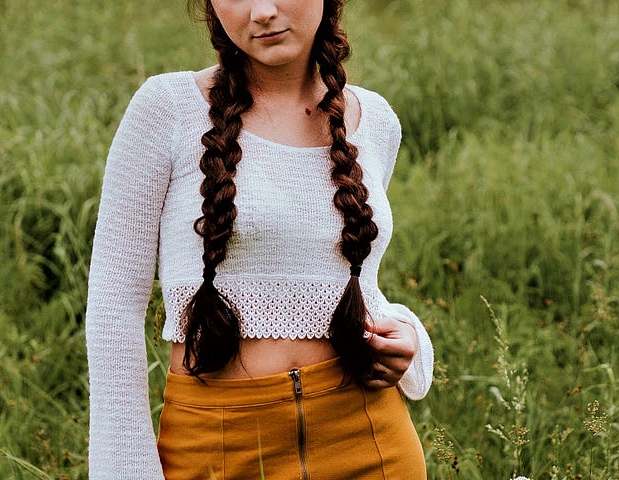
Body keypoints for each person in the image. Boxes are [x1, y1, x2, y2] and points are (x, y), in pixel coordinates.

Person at [84, 0, 434, 478]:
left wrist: (408, 337)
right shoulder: (167, 110)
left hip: (370, 438)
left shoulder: (374, 120)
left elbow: (352, 283)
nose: (262, 11)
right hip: (218, 442)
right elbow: (113, 308)